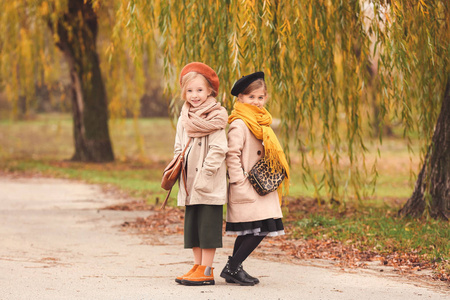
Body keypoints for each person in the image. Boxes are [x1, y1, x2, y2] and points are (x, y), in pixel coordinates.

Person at [220, 71, 290, 286]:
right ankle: (232, 267)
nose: (257, 102)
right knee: (261, 228)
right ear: (240, 98)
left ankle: (235, 268)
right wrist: (238, 181)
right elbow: (232, 154)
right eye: (251, 97)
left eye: (260, 97)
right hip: (247, 185)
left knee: (253, 228)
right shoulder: (240, 123)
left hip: (263, 185)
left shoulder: (262, 122)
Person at [171, 62, 228, 286]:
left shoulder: (216, 117)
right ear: (184, 92)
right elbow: (178, 144)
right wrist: (179, 163)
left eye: (200, 90)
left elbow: (219, 148)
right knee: (193, 226)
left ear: (210, 91)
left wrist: (205, 174)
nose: (195, 95)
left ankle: (206, 270)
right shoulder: (184, 117)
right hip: (189, 180)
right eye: (190, 91)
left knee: (208, 227)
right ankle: (196, 266)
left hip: (208, 182)